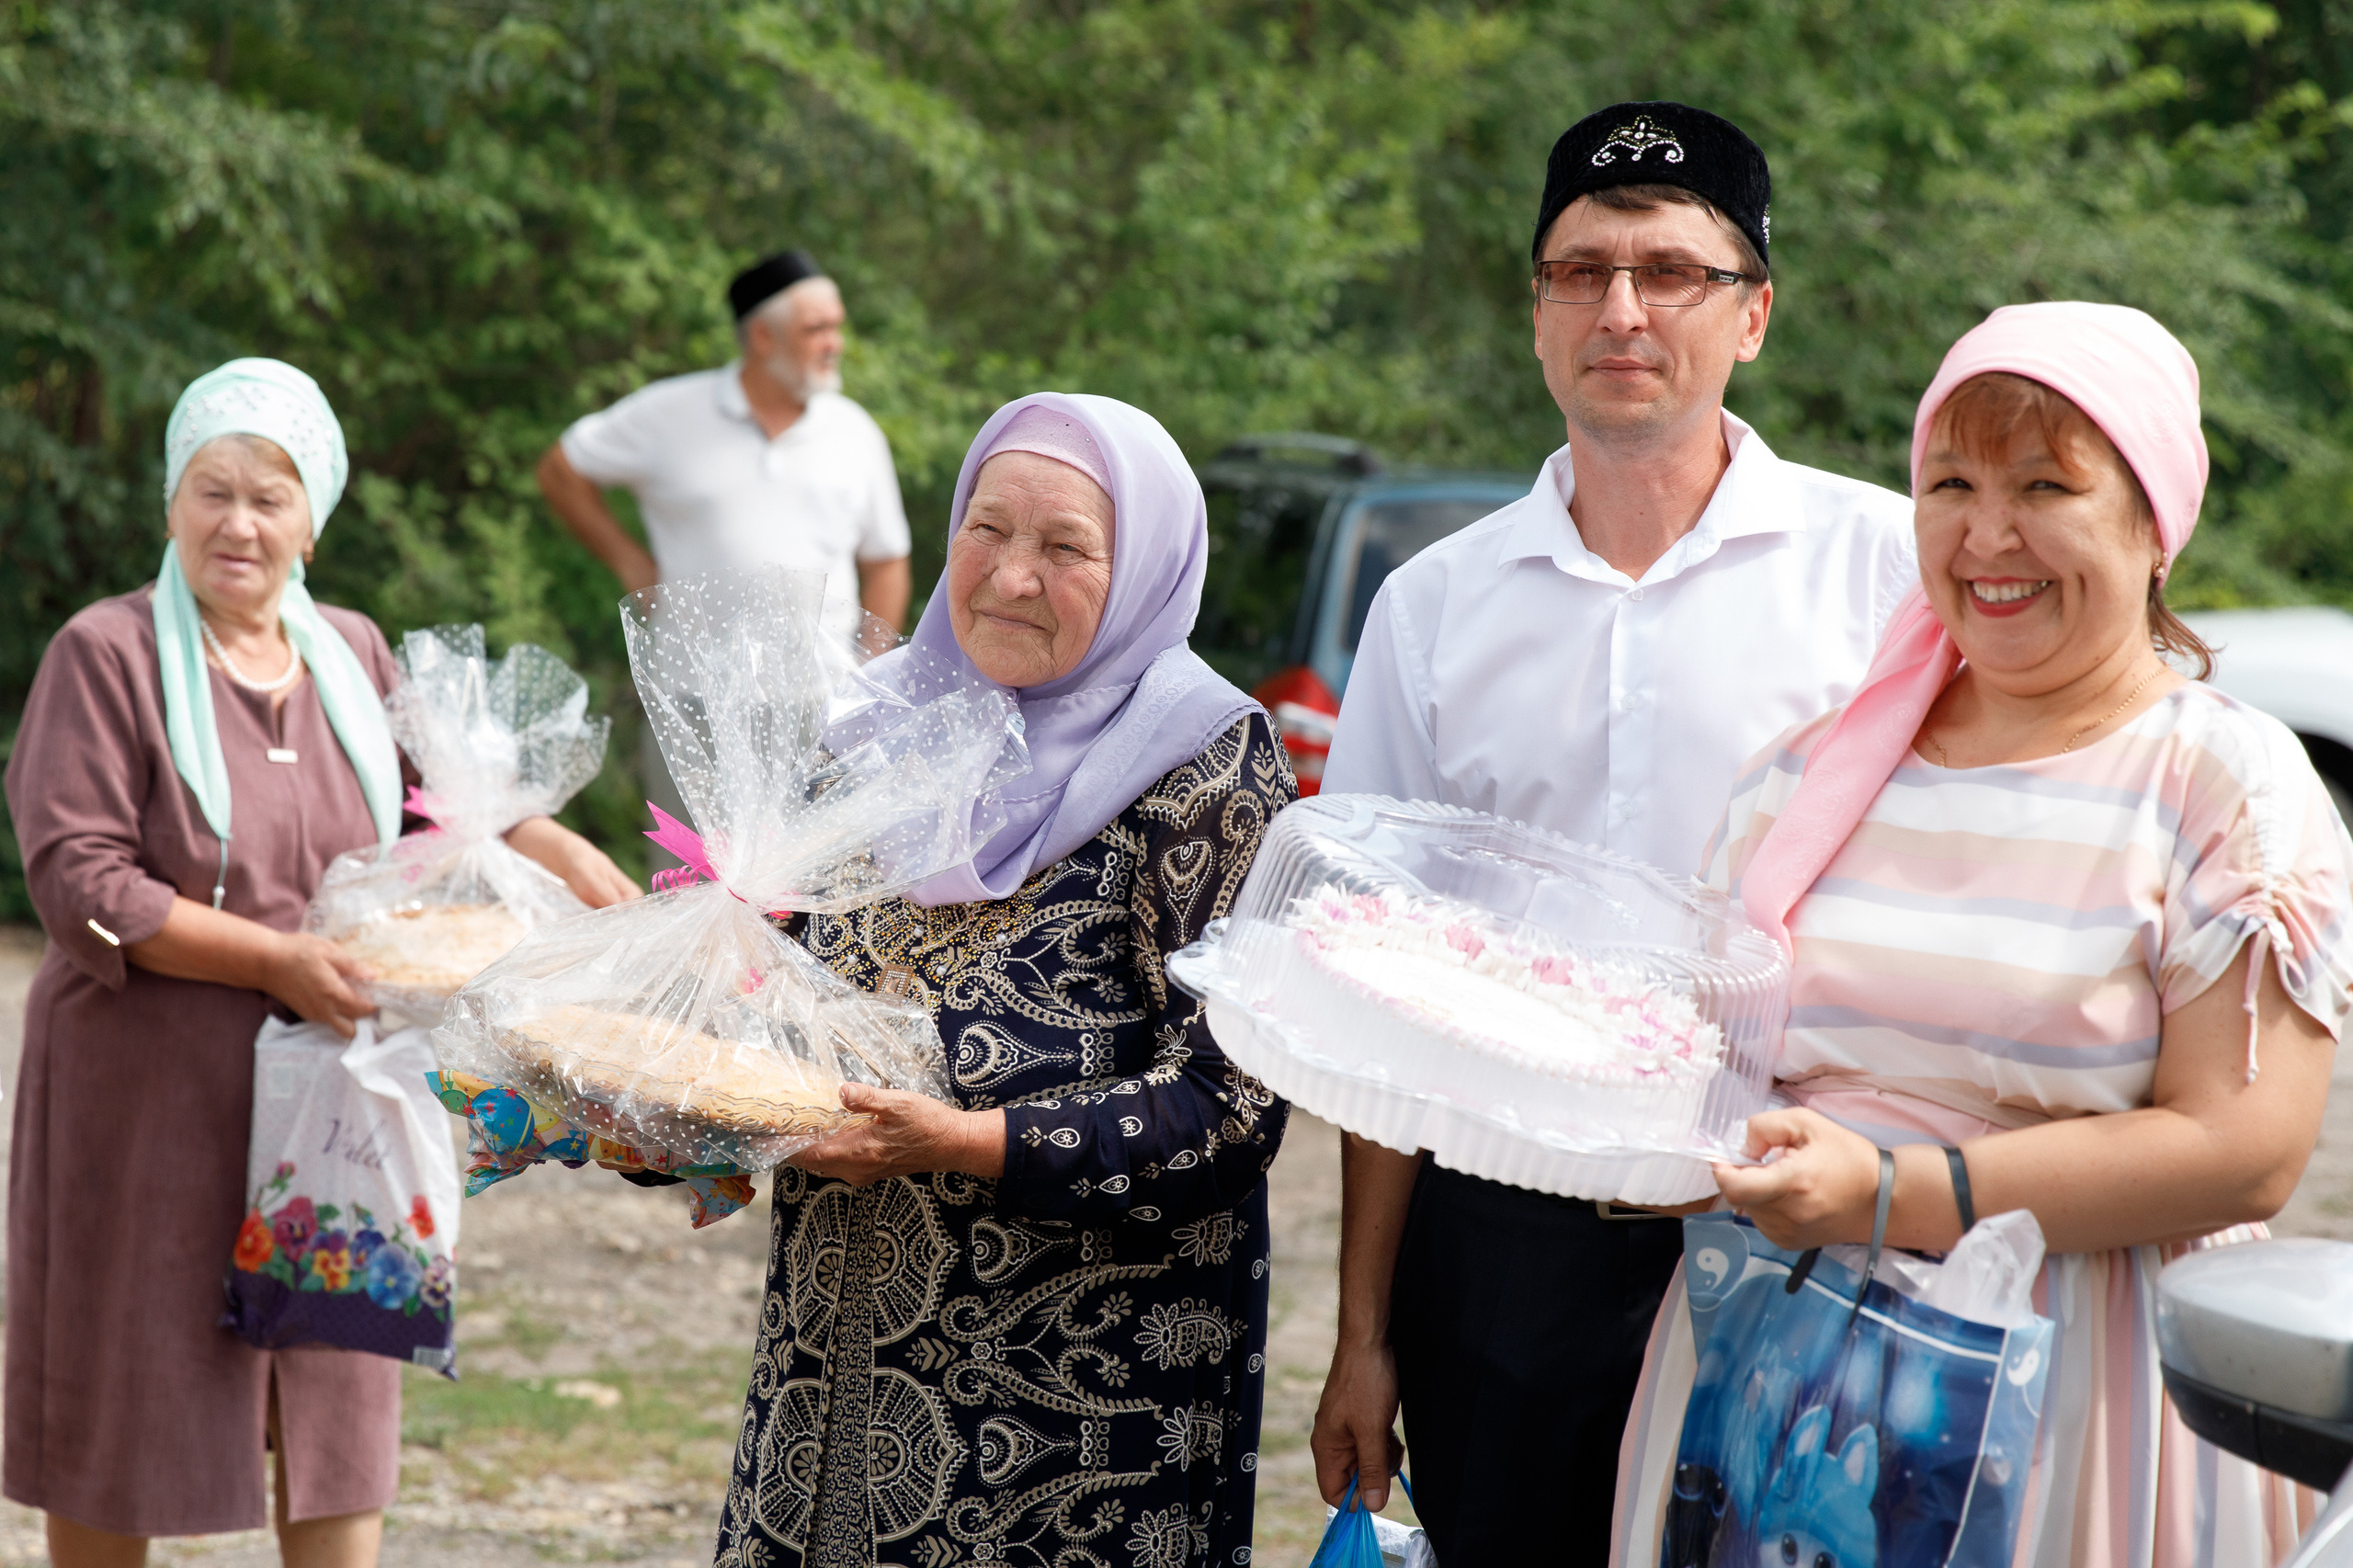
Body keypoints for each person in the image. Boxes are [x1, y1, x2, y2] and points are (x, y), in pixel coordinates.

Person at [1610, 302, 2352, 1567]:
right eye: (1948, 482)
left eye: (2046, 486)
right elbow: (1701, 1063)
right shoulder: (1811, 772)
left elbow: (2248, 1150)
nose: (1987, 533)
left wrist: (1898, 1192)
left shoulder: (2221, 783)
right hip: (1780, 1382)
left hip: (2081, 1401)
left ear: (2156, 524)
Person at [1307, 101, 1919, 1562]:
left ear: (1754, 314)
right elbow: (1383, 989)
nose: (1621, 308)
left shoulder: (1885, 564)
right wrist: (1363, 1331)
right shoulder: (1438, 605)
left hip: (1792, 1220)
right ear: (1535, 317)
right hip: (1505, 1242)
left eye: (1671, 271)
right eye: (1579, 271)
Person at [3, 358, 635, 1568]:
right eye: (213, 491)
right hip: (147, 1096)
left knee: (340, 1374)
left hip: (337, 1087)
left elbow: (428, 805)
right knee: (125, 1377)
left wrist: (544, 836)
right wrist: (276, 962)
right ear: (172, 503)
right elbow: (79, 879)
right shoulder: (108, 653)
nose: (239, 522)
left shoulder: (348, 650)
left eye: (271, 498)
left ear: (314, 519)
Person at [708, 393, 1295, 1568]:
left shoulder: (1209, 769)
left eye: (1067, 545)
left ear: (1146, 571)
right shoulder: (871, 739)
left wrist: (962, 1139)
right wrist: (675, 1094)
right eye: (987, 528)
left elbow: (1230, 1111)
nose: (1011, 576)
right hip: (832, 1395)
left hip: (1072, 1442)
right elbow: (773, 994)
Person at [535, 248, 914, 636]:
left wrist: (868, 679)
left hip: (826, 693)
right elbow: (560, 469)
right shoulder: (669, 414)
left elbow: (886, 563)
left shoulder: (854, 430)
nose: (835, 344)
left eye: (836, 327)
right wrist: (628, 562)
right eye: (816, 329)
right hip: (689, 693)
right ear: (764, 337)